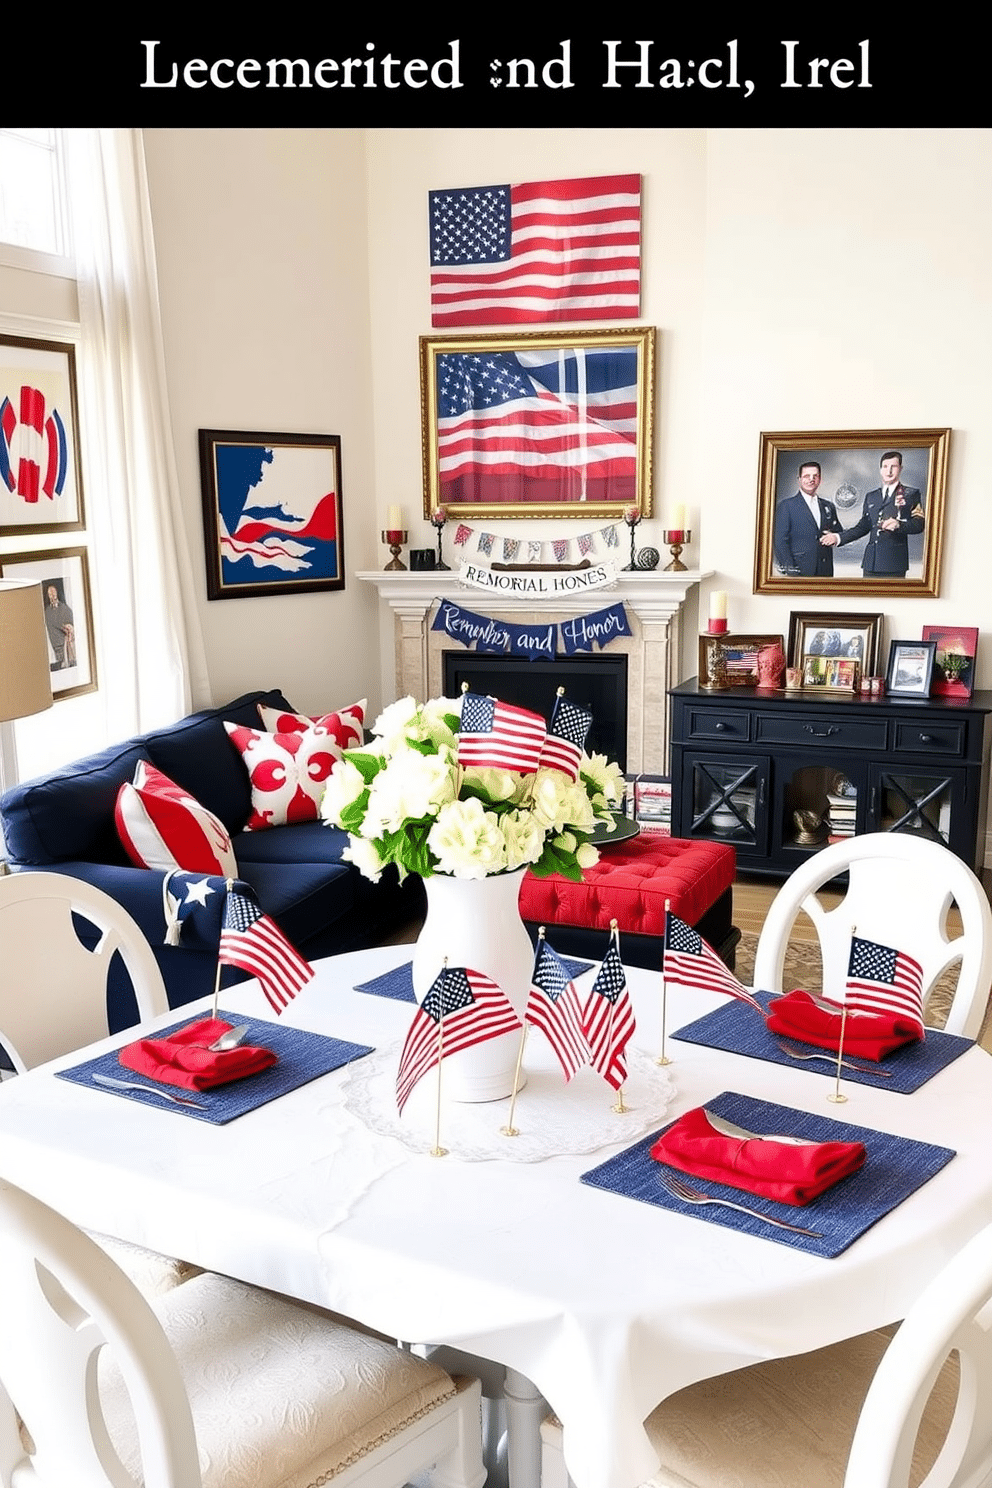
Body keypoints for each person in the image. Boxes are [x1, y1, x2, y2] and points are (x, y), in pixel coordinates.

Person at [822, 451, 924, 578]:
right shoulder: (871, 496)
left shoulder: (910, 494)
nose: (889, 471)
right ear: (881, 469)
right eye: (885, 466)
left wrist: (899, 525)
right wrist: (838, 537)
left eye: (894, 466)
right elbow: (863, 526)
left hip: (894, 563)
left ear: (900, 469)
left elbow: (919, 524)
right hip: (871, 563)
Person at [772, 461, 846, 577]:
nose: (811, 479)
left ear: (820, 479)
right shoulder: (786, 506)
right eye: (807, 476)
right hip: (799, 571)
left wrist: (833, 536)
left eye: (815, 476)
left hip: (825, 571)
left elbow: (838, 531)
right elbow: (780, 542)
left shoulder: (828, 506)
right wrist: (791, 571)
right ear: (799, 479)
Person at [44, 583, 74, 670]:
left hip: (63, 648)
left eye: (53, 592)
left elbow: (70, 624)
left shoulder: (64, 608)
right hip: (52, 649)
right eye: (50, 593)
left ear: (57, 593)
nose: (52, 595)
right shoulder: (47, 611)